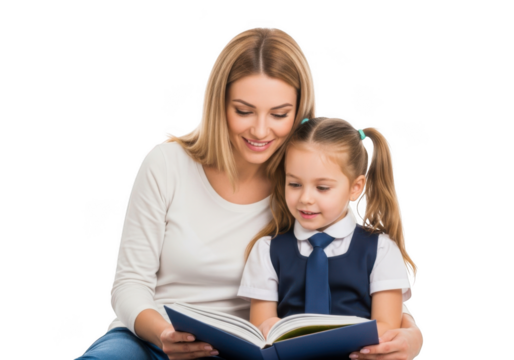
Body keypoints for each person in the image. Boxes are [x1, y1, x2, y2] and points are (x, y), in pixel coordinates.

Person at [75, 28, 423, 360]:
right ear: (219, 105)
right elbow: (129, 285)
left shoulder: (302, 186)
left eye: (279, 114)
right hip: (146, 336)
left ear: (300, 112)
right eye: (243, 111)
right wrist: (163, 334)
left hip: (230, 349)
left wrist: (412, 336)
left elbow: (357, 274)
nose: (259, 130)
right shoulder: (166, 164)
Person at [238, 116, 418, 356]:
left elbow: (387, 326)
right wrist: (268, 328)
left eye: (322, 187)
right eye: (294, 184)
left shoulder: (381, 250)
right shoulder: (267, 250)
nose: (305, 198)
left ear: (355, 187)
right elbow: (260, 326)